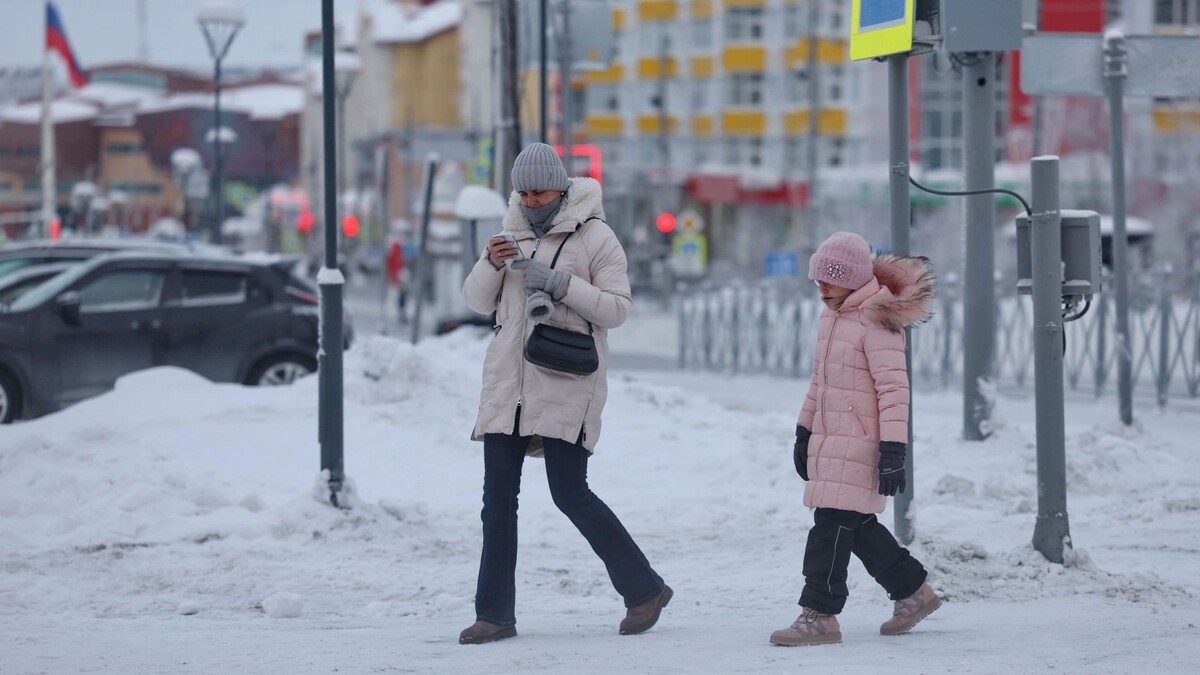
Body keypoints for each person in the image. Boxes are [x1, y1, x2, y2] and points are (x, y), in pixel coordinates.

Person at [459, 142, 671, 645]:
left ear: (561, 189)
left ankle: (644, 589)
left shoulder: (596, 237)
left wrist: (560, 283)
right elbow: (475, 301)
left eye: (540, 192)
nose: (531, 201)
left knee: (569, 492)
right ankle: (494, 614)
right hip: (508, 386)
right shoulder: (509, 235)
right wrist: (490, 262)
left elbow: (617, 309)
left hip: (567, 379)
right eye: (523, 193)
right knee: (496, 502)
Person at [770, 231, 942, 647]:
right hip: (831, 441)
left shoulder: (877, 319)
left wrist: (893, 450)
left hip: (863, 444)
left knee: (829, 527)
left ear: (852, 278)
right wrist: (804, 431)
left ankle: (820, 614)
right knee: (857, 525)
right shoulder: (832, 317)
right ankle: (913, 591)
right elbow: (820, 383)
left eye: (831, 278)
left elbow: (894, 391)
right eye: (819, 278)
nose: (822, 287)